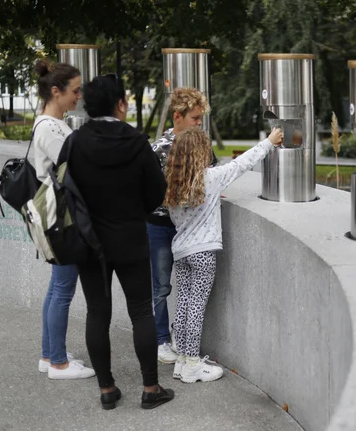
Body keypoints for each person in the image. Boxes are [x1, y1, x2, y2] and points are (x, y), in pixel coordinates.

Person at [58, 74, 173, 410]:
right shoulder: (137, 142)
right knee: (141, 312)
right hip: (131, 239)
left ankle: (107, 390)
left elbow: (63, 188)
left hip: (89, 242)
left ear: (89, 106)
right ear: (121, 104)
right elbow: (157, 194)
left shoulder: (75, 141)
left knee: (97, 313)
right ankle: (151, 389)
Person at [164, 125, 283, 383]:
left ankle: (183, 361)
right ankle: (193, 365)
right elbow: (242, 164)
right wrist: (269, 142)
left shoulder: (173, 185)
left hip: (181, 252)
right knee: (196, 308)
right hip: (203, 253)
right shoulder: (211, 178)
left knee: (183, 306)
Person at [32, 60, 96, 380]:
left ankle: (49, 354)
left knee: (57, 288)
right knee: (62, 290)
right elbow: (76, 169)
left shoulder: (56, 124)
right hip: (62, 219)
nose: (79, 96)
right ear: (56, 92)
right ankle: (58, 362)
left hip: (60, 216)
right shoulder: (48, 127)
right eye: (75, 90)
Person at [147, 87, 216, 366]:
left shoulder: (201, 145)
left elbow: (210, 174)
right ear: (178, 116)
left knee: (187, 286)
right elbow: (148, 191)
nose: (199, 123)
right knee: (161, 286)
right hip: (160, 225)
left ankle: (179, 335)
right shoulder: (158, 150)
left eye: (201, 118)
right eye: (195, 118)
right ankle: (161, 339)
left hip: (190, 228)